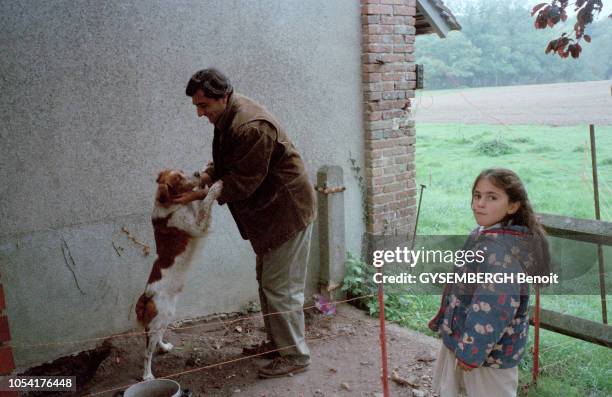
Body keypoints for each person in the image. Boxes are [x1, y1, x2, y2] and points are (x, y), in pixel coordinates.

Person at [177, 68, 317, 378]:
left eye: (204, 106)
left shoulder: (250, 126)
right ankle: (278, 344)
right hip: (269, 212)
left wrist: (202, 194)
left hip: (286, 211)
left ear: (223, 97)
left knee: (280, 288)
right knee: (268, 282)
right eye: (196, 107)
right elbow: (228, 162)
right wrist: (201, 177)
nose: (200, 114)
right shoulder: (228, 117)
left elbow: (243, 180)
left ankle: (295, 356)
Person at [428, 168, 551, 397]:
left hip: (488, 354)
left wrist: (471, 351)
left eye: (491, 197)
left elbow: (495, 308)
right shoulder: (483, 234)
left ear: (512, 206)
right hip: (467, 339)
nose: (479, 204)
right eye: (477, 196)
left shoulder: (502, 253)